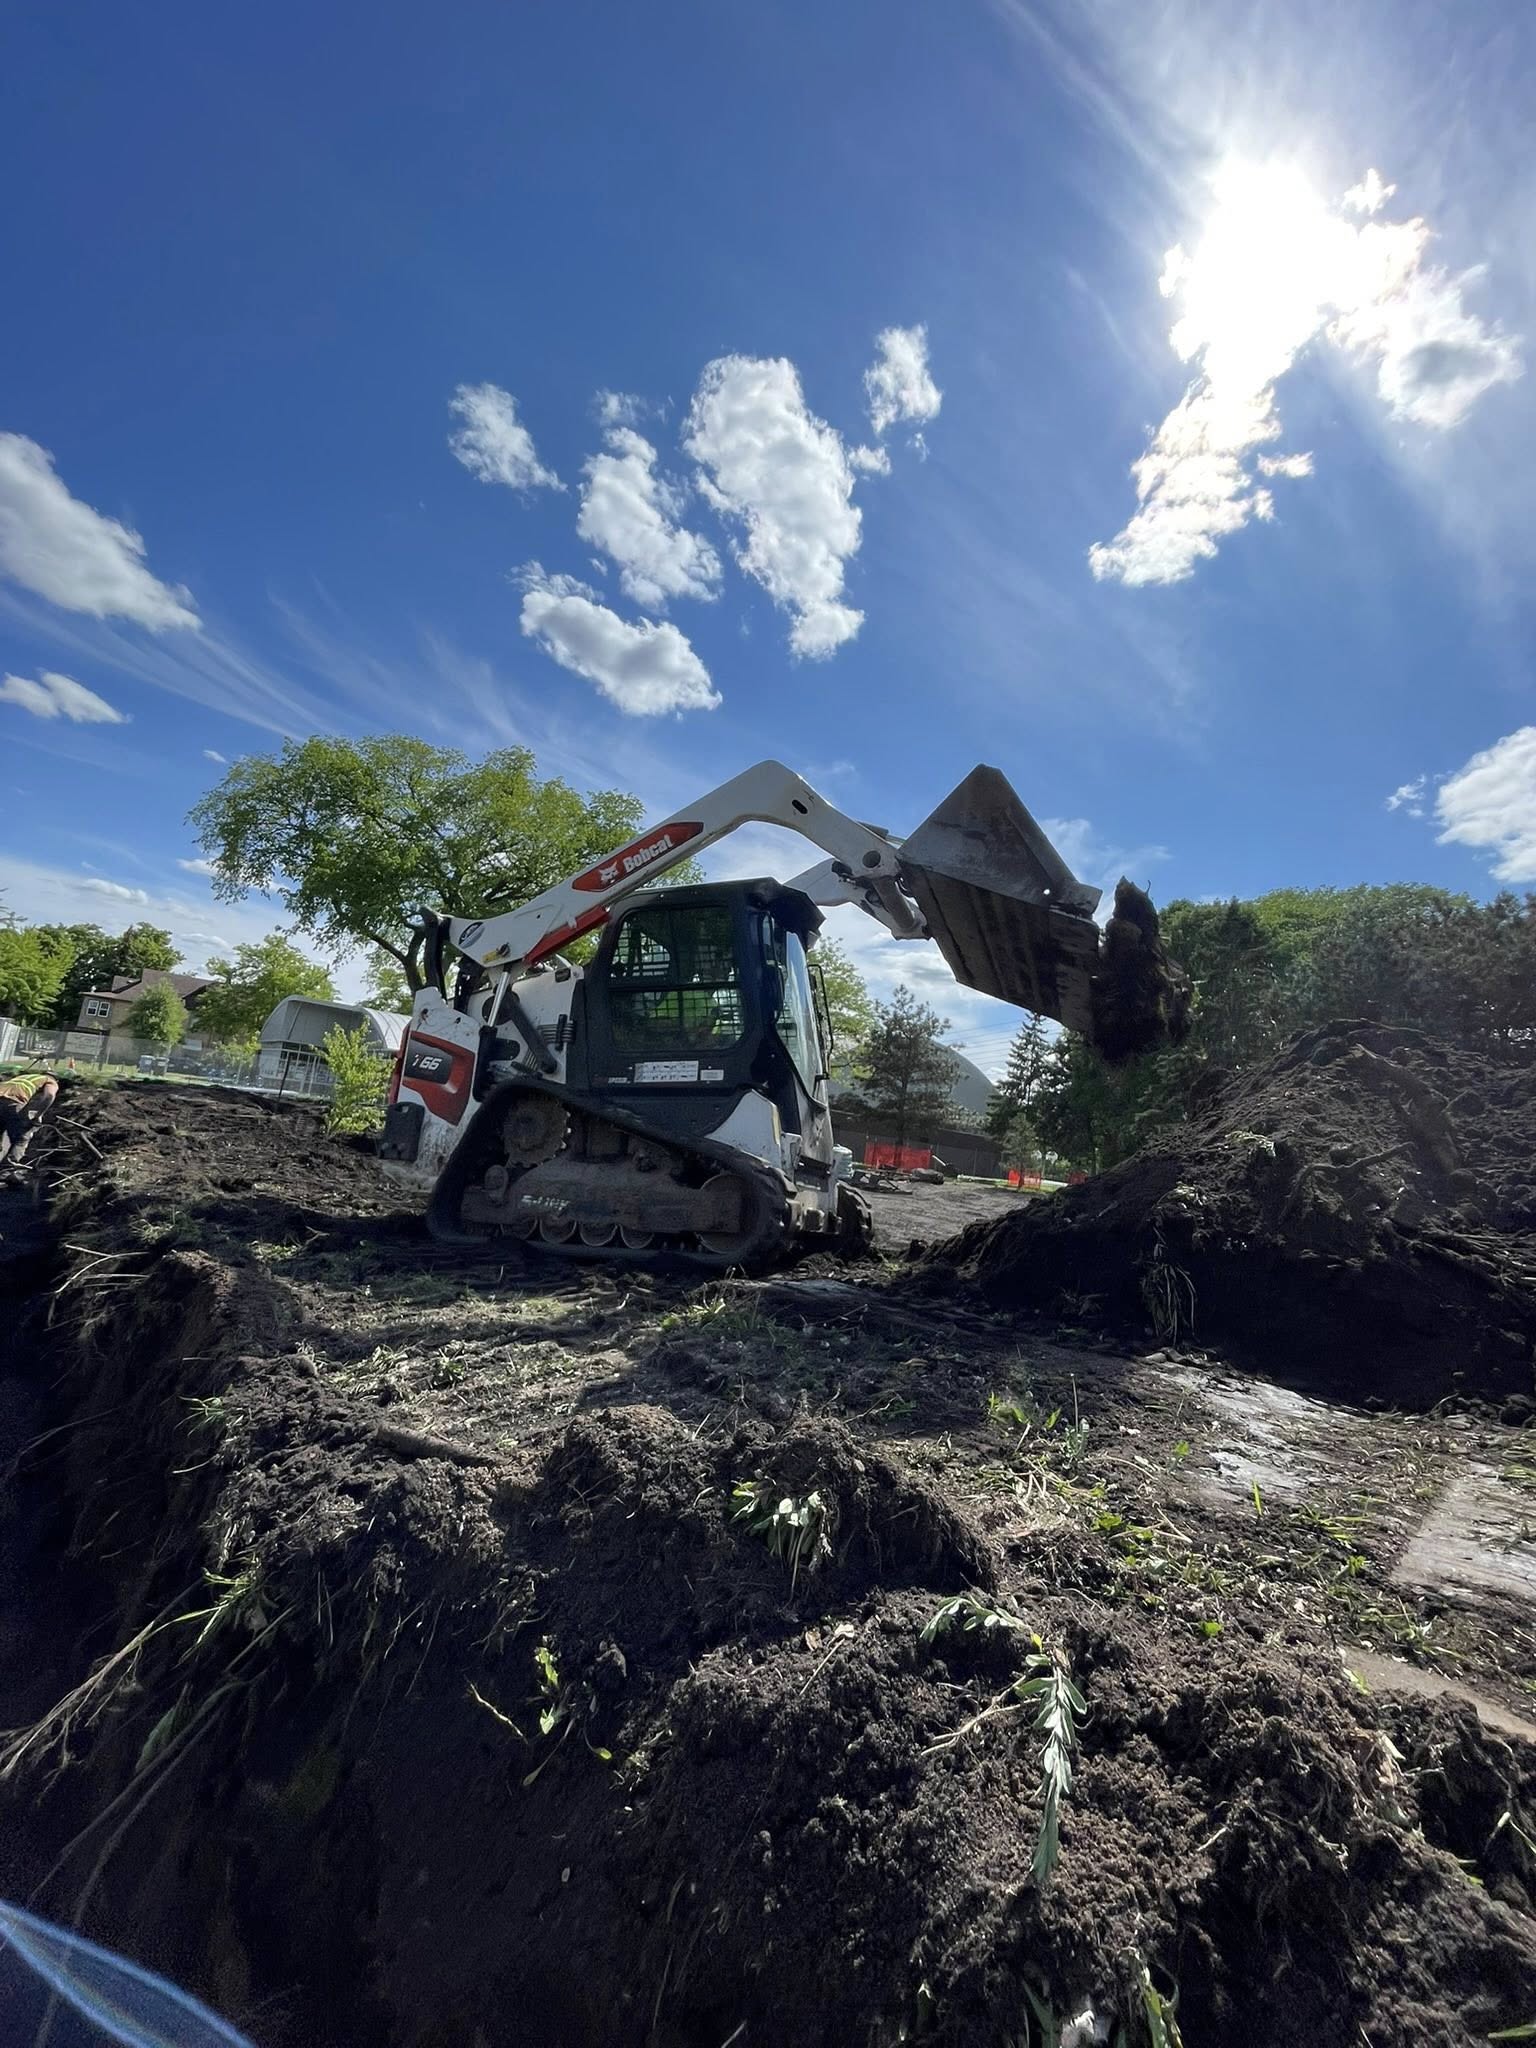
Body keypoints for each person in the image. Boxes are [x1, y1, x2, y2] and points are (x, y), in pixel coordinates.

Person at [0, 1068, 59, 1170]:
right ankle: (8, 1167)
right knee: (22, 1137)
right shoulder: (50, 1081)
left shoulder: (23, 1077)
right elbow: (49, 1095)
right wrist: (38, 1115)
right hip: (12, 1103)